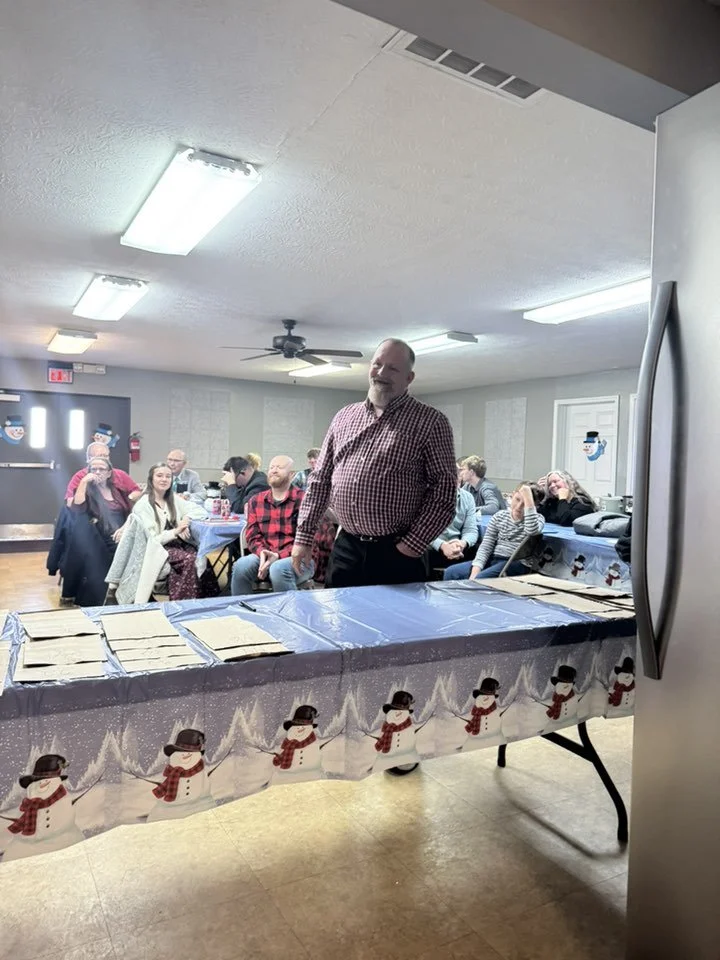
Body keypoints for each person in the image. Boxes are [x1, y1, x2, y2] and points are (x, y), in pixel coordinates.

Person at [291, 338, 457, 588]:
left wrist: (410, 547)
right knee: (340, 624)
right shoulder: (344, 417)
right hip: (347, 547)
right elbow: (320, 481)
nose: (381, 373)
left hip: (399, 552)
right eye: (377, 364)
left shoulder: (431, 422)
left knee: (394, 626)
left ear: (409, 378)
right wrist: (303, 538)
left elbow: (443, 494)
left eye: (392, 368)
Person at [130, 462, 218, 600]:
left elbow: (199, 510)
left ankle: (210, 601)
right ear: (151, 479)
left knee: (202, 558)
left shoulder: (173, 499)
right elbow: (152, 540)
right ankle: (184, 604)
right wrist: (175, 531)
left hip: (177, 544)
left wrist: (186, 518)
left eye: (168, 476)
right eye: (159, 476)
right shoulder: (144, 505)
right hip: (157, 548)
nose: (164, 479)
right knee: (189, 560)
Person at [230, 456, 313, 594]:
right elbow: (252, 535)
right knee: (241, 565)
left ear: (292, 474)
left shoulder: (305, 500)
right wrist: (262, 553)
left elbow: (308, 540)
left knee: (278, 569)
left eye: (279, 468)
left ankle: (288, 614)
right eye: (271, 467)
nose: (274, 470)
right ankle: (242, 612)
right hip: (265, 555)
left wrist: (278, 556)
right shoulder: (255, 501)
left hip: (299, 558)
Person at [62, 458, 134, 605]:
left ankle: (130, 592)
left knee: (138, 546)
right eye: (94, 469)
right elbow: (77, 507)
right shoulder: (86, 490)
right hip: (98, 533)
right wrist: (83, 482)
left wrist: (125, 528)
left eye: (101, 469)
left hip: (122, 530)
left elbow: (129, 512)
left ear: (109, 473)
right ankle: (114, 592)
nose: (97, 472)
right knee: (122, 548)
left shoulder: (117, 491)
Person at [444, 483, 544, 580]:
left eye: (525, 504)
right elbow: (486, 547)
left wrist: (529, 500)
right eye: (517, 499)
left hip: (516, 562)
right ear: (512, 495)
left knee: (481, 579)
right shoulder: (499, 516)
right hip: (494, 559)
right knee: (451, 572)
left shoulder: (537, 519)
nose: (518, 507)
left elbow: (532, 530)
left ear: (533, 507)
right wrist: (474, 574)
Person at [426, 482, 478, 574]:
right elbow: (420, 530)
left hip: (458, 547)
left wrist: (462, 543)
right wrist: (442, 545)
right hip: (432, 544)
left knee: (480, 549)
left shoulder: (468, 497)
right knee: (417, 548)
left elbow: (471, 530)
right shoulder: (425, 495)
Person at [65, 442, 140, 506]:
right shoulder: (80, 476)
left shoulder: (120, 474)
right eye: (100, 456)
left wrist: (127, 499)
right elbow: (70, 503)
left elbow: (137, 492)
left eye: (106, 456)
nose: (104, 459)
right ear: (89, 458)